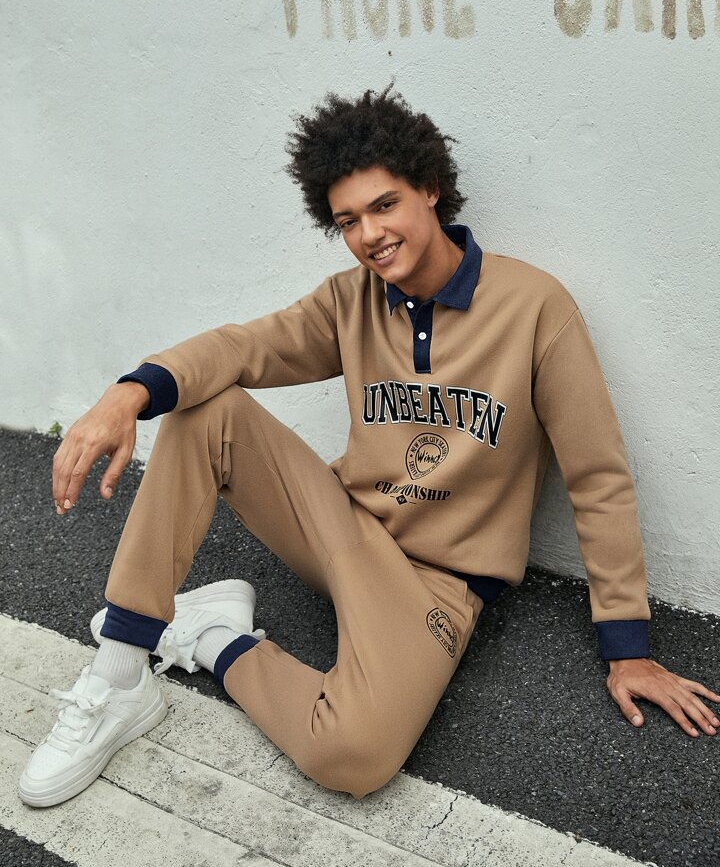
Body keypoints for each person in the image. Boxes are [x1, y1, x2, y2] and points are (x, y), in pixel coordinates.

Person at [20, 85, 720, 808]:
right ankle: (120, 675)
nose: (370, 235)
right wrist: (128, 393)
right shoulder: (348, 300)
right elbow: (242, 347)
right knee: (206, 409)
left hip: (439, 581)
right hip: (345, 530)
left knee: (351, 755)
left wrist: (628, 648)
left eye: (385, 205)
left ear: (430, 188)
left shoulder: (535, 307)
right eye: (347, 220)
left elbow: (598, 477)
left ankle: (211, 637)